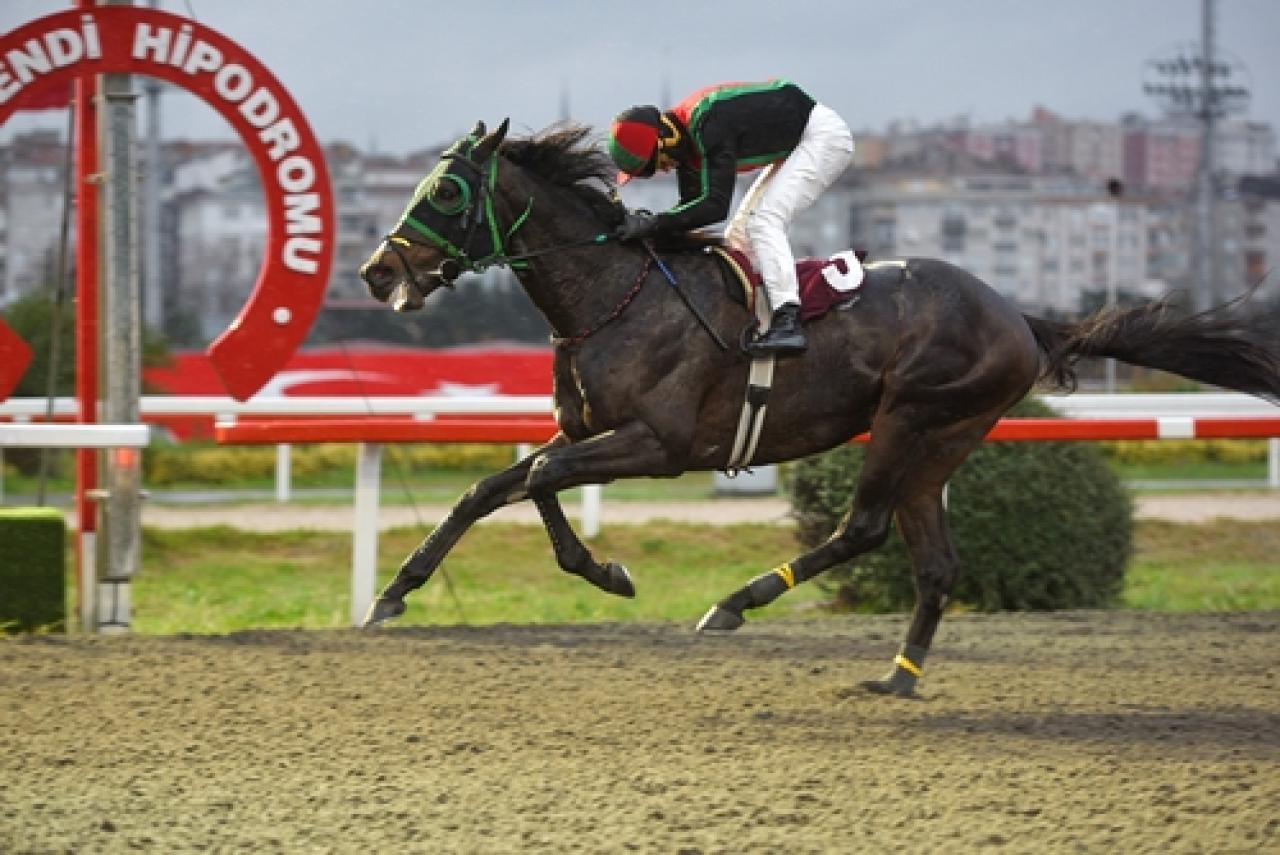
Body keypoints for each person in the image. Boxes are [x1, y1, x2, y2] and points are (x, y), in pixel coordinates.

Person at [607, 79, 855, 355]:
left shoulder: (709, 123)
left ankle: (788, 321)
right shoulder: (687, 146)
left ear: (666, 139)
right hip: (796, 146)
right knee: (738, 239)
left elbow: (715, 207)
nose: (663, 171)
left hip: (822, 138)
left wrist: (653, 224)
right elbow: (689, 213)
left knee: (764, 221)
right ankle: (756, 319)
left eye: (655, 165)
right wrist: (647, 233)